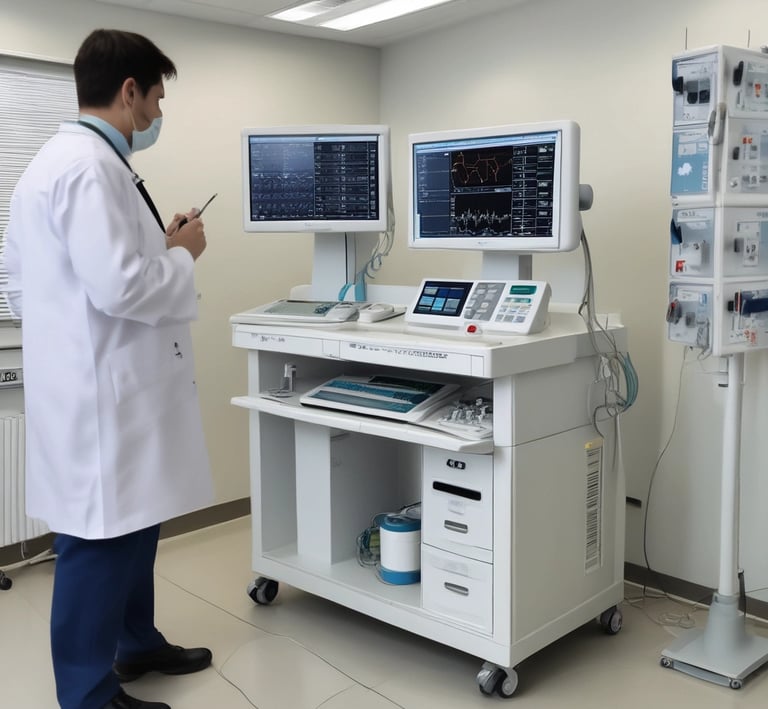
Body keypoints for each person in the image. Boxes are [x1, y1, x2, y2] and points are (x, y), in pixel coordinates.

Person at [3, 29, 215, 709]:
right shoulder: (91, 168)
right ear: (129, 92)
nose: (155, 115)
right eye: (155, 99)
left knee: (135, 521)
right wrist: (182, 254)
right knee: (99, 540)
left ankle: (136, 641)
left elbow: (27, 282)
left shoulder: (51, 165)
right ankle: (88, 692)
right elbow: (122, 287)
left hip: (90, 382)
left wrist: (159, 243)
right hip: (104, 393)